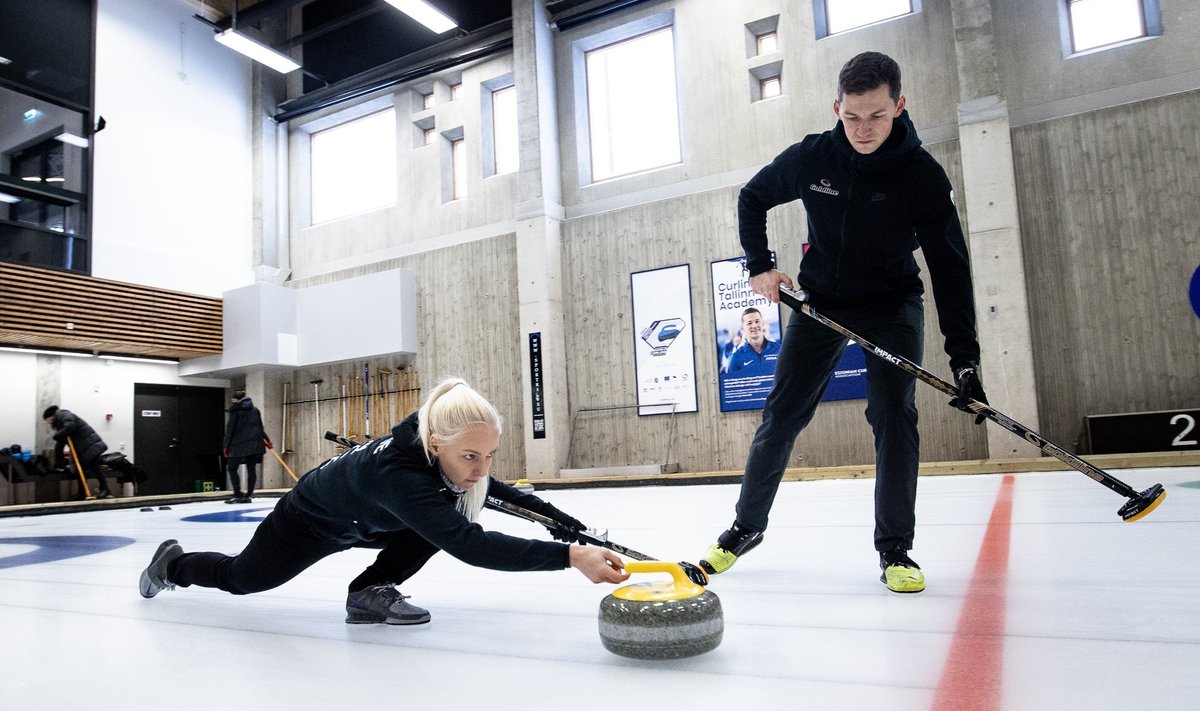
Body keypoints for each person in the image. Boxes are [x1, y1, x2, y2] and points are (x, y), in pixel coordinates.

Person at [699, 52, 987, 593]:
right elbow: (753, 196)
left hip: (892, 305)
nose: (863, 130)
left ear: (899, 107)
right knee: (781, 416)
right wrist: (759, 265)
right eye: (852, 117)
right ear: (837, 107)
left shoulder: (922, 175)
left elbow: (950, 267)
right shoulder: (815, 156)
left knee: (894, 416)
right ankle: (745, 527)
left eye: (876, 116)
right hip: (821, 305)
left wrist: (965, 360)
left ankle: (895, 549)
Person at [139, 377, 630, 625]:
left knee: (454, 507)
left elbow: (493, 489)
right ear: (435, 444)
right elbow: (472, 546)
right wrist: (569, 556)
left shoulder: (444, 458)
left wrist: (564, 523)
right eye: (470, 456)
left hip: (371, 519)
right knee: (243, 580)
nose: (481, 468)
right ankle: (174, 565)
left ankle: (368, 593)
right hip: (309, 521)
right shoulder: (400, 476)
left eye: (489, 454)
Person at [43, 405, 114, 500]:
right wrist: (59, 461)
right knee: (80, 470)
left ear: (50, 416)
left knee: (95, 467)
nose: (48, 423)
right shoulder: (60, 423)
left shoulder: (63, 414)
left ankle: (105, 489)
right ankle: (82, 492)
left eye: (47, 420)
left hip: (89, 445)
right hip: (83, 448)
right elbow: (60, 443)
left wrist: (58, 435)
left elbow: (70, 426)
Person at [223, 388, 268, 503]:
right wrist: (267, 441)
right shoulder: (255, 410)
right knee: (251, 469)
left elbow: (230, 429)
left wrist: (225, 446)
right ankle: (248, 495)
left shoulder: (235, 411)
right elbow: (259, 428)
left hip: (237, 445)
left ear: (235, 400)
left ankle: (237, 494)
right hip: (254, 444)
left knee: (232, 468)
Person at [726, 307, 781, 374]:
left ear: (763, 324)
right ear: (742, 328)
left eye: (757, 321)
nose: (754, 326)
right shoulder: (736, 358)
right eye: (749, 323)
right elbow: (732, 383)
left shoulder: (779, 350)